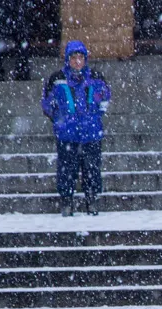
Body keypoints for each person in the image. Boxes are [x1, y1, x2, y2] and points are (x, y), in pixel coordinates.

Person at [41, 41, 111, 217]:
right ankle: (67, 201)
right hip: (67, 134)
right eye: (74, 58)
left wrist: (93, 118)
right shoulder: (56, 79)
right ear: (68, 59)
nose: (78, 61)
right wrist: (60, 120)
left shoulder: (96, 77)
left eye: (81, 57)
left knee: (92, 169)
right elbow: (47, 104)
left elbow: (104, 100)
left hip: (91, 133)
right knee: (66, 169)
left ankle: (91, 200)